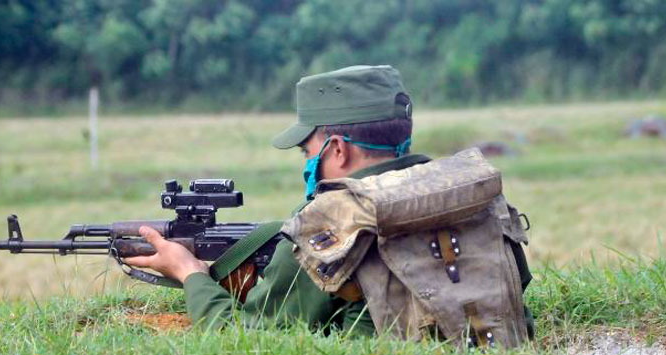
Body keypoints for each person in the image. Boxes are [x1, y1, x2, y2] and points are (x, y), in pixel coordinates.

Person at [124, 65, 533, 337]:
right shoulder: (466, 199)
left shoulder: (325, 227)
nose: (306, 162)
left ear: (337, 150)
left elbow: (243, 342)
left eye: (307, 151)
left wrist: (189, 273)